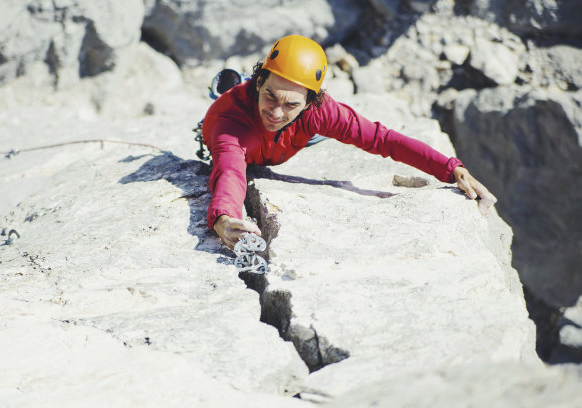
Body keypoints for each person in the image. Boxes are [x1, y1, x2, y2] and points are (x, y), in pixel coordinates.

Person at [202, 34, 496, 250]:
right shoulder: (230, 123)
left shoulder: (318, 111)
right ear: (259, 82)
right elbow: (230, 171)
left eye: (291, 104)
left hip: (291, 139)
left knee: (311, 130)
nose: (276, 112)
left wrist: (451, 168)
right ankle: (232, 85)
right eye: (270, 95)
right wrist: (224, 218)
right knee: (255, 131)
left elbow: (382, 139)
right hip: (246, 140)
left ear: (309, 102)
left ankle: (277, 112)